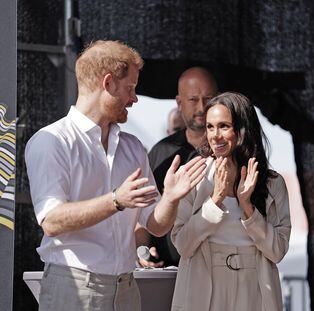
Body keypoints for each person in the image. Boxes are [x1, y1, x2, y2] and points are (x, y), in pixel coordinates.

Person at [24, 40, 206, 311]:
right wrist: (116, 200)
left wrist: (171, 198)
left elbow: (155, 226)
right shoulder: (52, 140)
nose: (135, 98)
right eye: (130, 88)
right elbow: (51, 221)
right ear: (107, 83)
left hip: (127, 288)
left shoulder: (132, 147)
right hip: (74, 286)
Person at [170, 92, 291, 311]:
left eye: (224, 126)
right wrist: (216, 199)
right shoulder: (193, 175)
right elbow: (183, 245)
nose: (215, 135)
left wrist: (247, 207)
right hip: (204, 287)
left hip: (255, 287)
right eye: (210, 127)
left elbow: (277, 251)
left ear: (242, 130)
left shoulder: (273, 184)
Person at [136, 67, 218, 268]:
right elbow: (142, 212)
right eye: (193, 99)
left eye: (208, 98)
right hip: (168, 269)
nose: (201, 106)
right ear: (179, 103)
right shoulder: (162, 152)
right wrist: (142, 252)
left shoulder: (232, 151)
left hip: (219, 271)